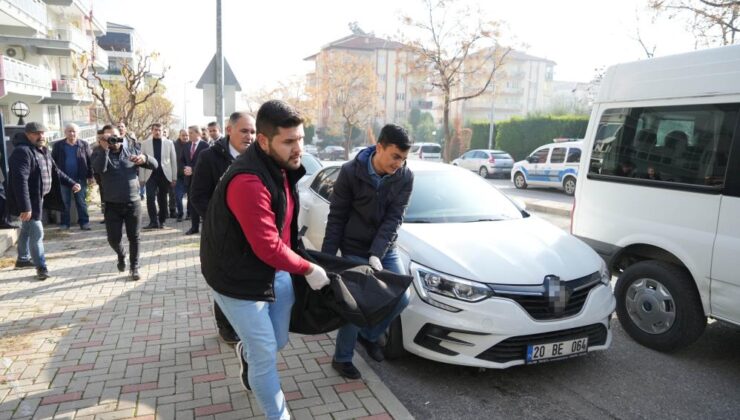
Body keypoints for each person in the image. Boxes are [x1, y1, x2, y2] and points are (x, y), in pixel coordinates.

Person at [200, 100, 329, 420]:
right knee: (265, 356)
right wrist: (308, 268)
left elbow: (281, 235)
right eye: (288, 141)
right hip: (236, 279)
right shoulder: (248, 180)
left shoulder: (281, 166)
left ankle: (246, 351)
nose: (297, 148)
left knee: (278, 341)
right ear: (263, 140)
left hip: (275, 271)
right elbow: (268, 246)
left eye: (300, 139)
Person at [321, 123, 414, 380]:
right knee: (357, 305)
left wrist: (377, 252)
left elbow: (394, 218)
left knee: (401, 297)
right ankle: (342, 358)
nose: (399, 163)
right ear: (379, 147)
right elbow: (337, 216)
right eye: (395, 156)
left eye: (404, 158)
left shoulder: (405, 177)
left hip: (385, 247)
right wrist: (328, 260)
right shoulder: (351, 172)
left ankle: (369, 336)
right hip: (353, 246)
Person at [191, 112, 255, 344]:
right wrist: (219, 222)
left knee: (246, 279)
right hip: (221, 236)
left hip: (251, 234)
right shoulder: (210, 157)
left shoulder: (259, 157)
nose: (249, 136)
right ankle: (225, 327)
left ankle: (247, 322)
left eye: (253, 132)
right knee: (224, 281)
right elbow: (198, 196)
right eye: (244, 131)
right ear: (229, 130)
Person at [7, 122, 81, 280]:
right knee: (37, 232)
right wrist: (25, 207)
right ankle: (41, 267)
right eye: (36, 133)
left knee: (27, 231)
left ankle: (22, 259)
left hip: (39, 199)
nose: (41, 136)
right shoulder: (22, 152)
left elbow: (56, 171)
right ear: (27, 134)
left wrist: (71, 183)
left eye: (42, 133)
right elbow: (20, 181)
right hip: (29, 202)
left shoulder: (43, 150)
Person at [91, 128, 157, 280]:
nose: (112, 140)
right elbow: (99, 168)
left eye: (115, 136)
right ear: (102, 138)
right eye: (109, 137)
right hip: (111, 204)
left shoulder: (131, 150)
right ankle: (121, 255)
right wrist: (105, 149)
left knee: (134, 237)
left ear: (120, 136)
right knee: (113, 239)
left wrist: (145, 158)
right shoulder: (98, 152)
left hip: (132, 203)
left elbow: (155, 165)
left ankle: (134, 267)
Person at [51, 123, 93, 230]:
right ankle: (65, 224)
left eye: (74, 131)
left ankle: (84, 222)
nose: (72, 133)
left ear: (78, 133)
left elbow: (90, 161)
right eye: (69, 131)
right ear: (65, 132)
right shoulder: (58, 146)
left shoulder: (84, 144)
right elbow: (53, 162)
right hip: (63, 179)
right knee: (65, 203)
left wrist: (90, 176)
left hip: (80, 179)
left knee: (81, 202)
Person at [139, 123, 177, 229]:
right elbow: (142, 161)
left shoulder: (169, 143)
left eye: (159, 130)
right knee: (150, 197)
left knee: (163, 198)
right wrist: (141, 178)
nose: (157, 132)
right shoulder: (145, 143)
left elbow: (173, 161)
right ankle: (153, 221)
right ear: (152, 130)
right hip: (150, 174)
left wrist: (174, 177)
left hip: (164, 175)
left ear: (162, 131)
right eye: (155, 130)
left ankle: (162, 221)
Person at [182, 125, 209, 235]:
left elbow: (206, 163)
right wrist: (185, 168)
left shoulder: (205, 145)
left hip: (202, 180)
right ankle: (194, 227)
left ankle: (207, 227)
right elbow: (182, 159)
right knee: (192, 203)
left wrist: (193, 169)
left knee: (202, 203)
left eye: (191, 133)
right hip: (189, 180)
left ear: (198, 133)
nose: (189, 135)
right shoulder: (187, 145)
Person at [173, 128, 189, 222]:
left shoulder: (191, 144)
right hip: (178, 175)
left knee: (190, 197)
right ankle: (180, 214)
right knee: (178, 196)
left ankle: (189, 214)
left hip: (189, 175)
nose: (185, 137)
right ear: (179, 136)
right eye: (183, 135)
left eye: (187, 135)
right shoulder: (174, 145)